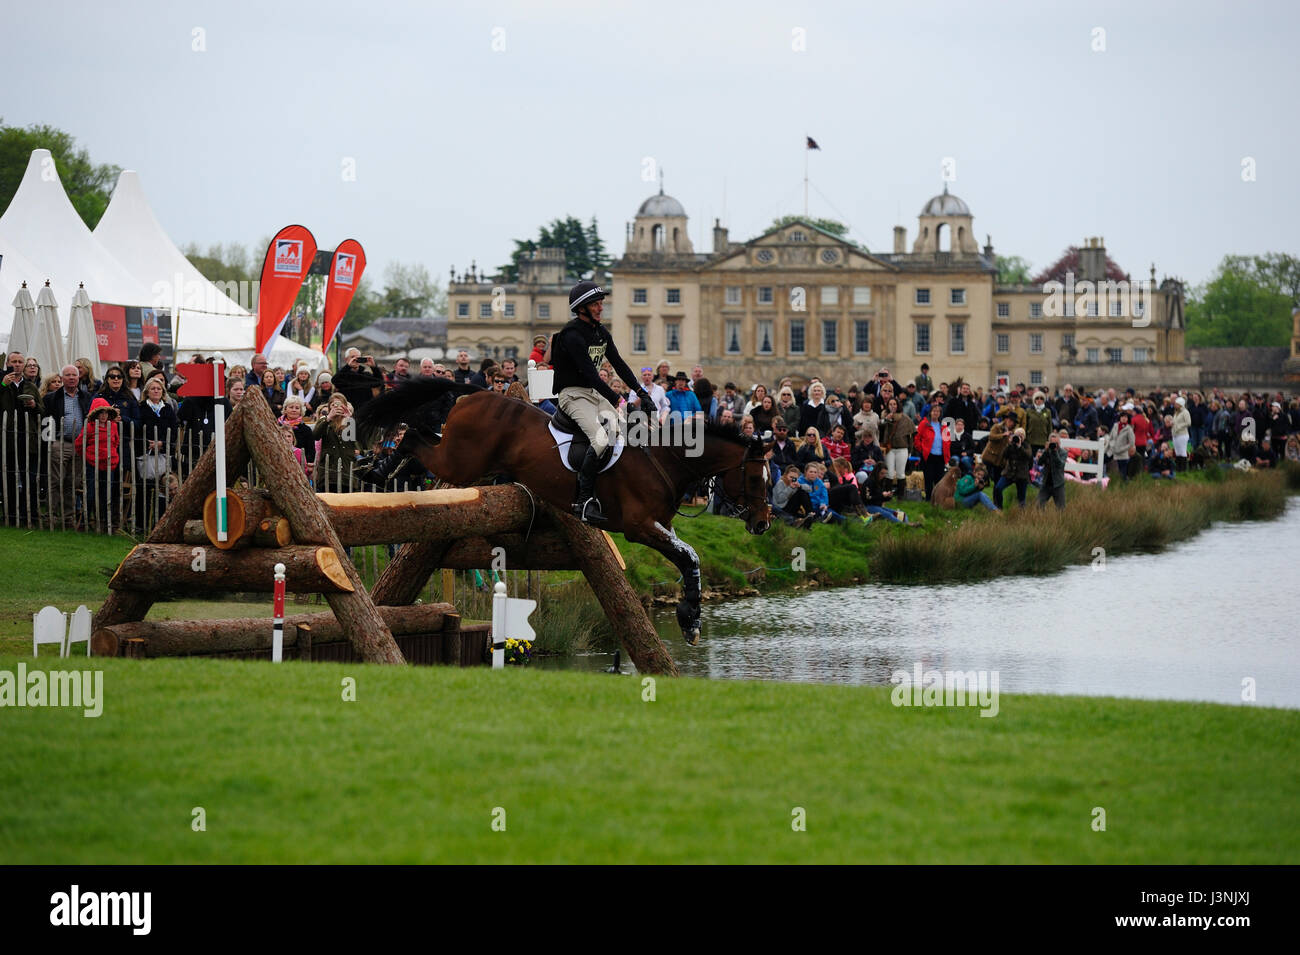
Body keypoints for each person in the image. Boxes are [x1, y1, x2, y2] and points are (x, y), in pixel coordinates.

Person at [552, 281, 653, 524]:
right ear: (582, 308)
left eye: (601, 303)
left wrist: (641, 392)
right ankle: (583, 501)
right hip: (572, 395)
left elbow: (618, 364)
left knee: (629, 431)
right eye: (596, 304)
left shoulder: (600, 332)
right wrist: (620, 400)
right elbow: (590, 374)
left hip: (594, 394)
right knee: (601, 439)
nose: (600, 308)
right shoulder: (571, 335)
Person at [43, 365, 92, 530]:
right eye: (68, 375)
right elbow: (45, 420)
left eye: (74, 375)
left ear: (78, 378)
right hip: (59, 443)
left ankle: (68, 518)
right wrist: (49, 443)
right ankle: (51, 516)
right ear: (62, 378)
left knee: (73, 482)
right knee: (55, 480)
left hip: (78, 443)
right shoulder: (52, 397)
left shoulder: (86, 396)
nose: (71, 378)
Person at [136, 376, 179, 531]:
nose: (156, 391)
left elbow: (174, 431)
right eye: (153, 388)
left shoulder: (167, 409)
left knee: (164, 488)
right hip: (146, 452)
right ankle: (143, 524)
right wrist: (148, 443)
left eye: (159, 388)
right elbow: (137, 430)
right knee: (146, 488)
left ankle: (162, 523)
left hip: (163, 453)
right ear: (147, 392)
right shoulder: (141, 408)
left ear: (163, 392)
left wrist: (162, 443)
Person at [914, 404, 951, 499]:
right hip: (929, 456)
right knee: (929, 479)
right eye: (934, 411)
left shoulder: (944, 426)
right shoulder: (924, 423)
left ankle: (938, 498)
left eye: (938, 411)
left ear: (940, 413)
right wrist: (922, 450)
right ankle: (928, 499)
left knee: (939, 479)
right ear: (930, 412)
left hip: (941, 457)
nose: (936, 413)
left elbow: (948, 440)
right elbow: (917, 438)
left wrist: (947, 453)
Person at [881, 397, 914, 495]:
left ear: (898, 405)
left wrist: (910, 450)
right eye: (890, 404)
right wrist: (886, 420)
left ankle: (900, 496)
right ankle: (887, 494)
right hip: (889, 448)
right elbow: (879, 429)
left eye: (894, 404)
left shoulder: (905, 418)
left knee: (900, 473)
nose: (892, 406)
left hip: (902, 448)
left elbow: (911, 436)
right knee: (889, 473)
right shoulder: (884, 416)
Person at [994, 427, 1032, 508]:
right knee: (998, 488)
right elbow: (1003, 455)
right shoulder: (1011, 445)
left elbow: (1028, 456)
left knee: (1021, 499)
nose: (1019, 437)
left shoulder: (1026, 445)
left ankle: (1020, 516)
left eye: (1021, 435)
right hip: (1009, 473)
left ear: (1024, 437)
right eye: (1017, 435)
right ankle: (999, 508)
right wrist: (1009, 444)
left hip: (1021, 475)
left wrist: (1019, 446)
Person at [1036, 432, 1068, 509]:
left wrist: (1055, 452)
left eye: (1056, 443)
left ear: (1059, 443)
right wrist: (1046, 451)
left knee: (1061, 509)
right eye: (1052, 443)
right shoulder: (1047, 451)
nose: (1054, 445)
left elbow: (1060, 464)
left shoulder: (1063, 452)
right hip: (1046, 483)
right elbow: (1039, 463)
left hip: (1058, 484)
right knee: (1038, 506)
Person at [1108, 410, 1135, 481]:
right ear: (1120, 418)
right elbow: (1110, 437)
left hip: (1123, 454)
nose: (1124, 418)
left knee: (1123, 472)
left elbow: (1132, 442)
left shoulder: (1129, 429)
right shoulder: (1115, 426)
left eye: (1125, 417)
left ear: (1128, 419)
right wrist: (1112, 445)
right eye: (1122, 416)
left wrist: (1123, 448)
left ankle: (1123, 485)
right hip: (1113, 452)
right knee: (1114, 471)